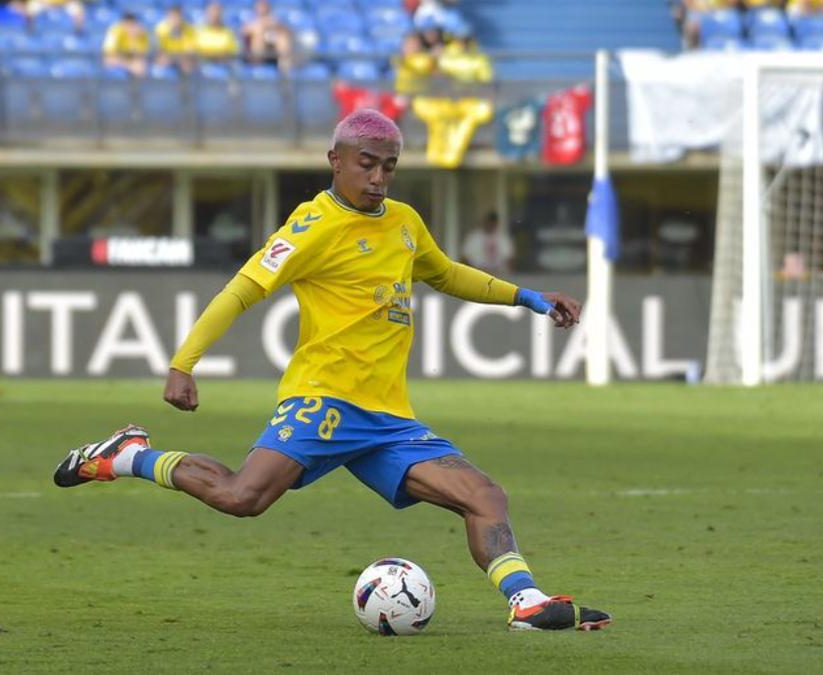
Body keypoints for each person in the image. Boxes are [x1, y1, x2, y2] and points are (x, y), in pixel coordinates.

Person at [52, 109, 611, 633]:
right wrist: (183, 363)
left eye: (388, 165)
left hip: (388, 418)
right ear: (335, 160)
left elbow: (444, 274)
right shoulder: (312, 225)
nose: (378, 177)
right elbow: (244, 290)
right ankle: (127, 455)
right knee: (243, 498)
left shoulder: (404, 222)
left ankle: (526, 602)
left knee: (484, 494)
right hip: (323, 402)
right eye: (366, 162)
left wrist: (529, 297)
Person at [241, 0, 291, 72]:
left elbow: (287, 31)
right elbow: (244, 32)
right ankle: (258, 70)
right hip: (253, 53)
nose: (263, 9)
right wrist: (262, 26)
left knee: (282, 37)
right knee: (259, 33)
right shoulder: (250, 19)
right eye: (261, 6)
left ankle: (285, 71)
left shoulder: (275, 20)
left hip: (272, 50)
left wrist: (275, 26)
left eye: (265, 6)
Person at [461, 211, 515, 275]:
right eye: (489, 222)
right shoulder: (474, 237)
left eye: (493, 223)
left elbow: (510, 259)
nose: (491, 225)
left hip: (499, 276)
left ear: (496, 224)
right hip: (477, 275)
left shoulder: (503, 238)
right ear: (484, 222)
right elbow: (465, 258)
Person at [102, 12, 150, 77]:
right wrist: (129, 66)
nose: (131, 29)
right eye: (128, 25)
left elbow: (141, 57)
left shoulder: (141, 34)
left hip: (130, 65)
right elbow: (108, 60)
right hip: (118, 67)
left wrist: (134, 41)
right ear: (122, 24)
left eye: (133, 25)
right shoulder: (114, 32)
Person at [154, 5, 196, 75]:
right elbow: (158, 52)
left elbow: (190, 51)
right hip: (167, 57)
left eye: (177, 17)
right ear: (168, 17)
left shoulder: (189, 30)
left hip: (182, 57)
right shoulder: (161, 29)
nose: (175, 20)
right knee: (162, 62)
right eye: (172, 17)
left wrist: (181, 58)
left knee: (188, 64)